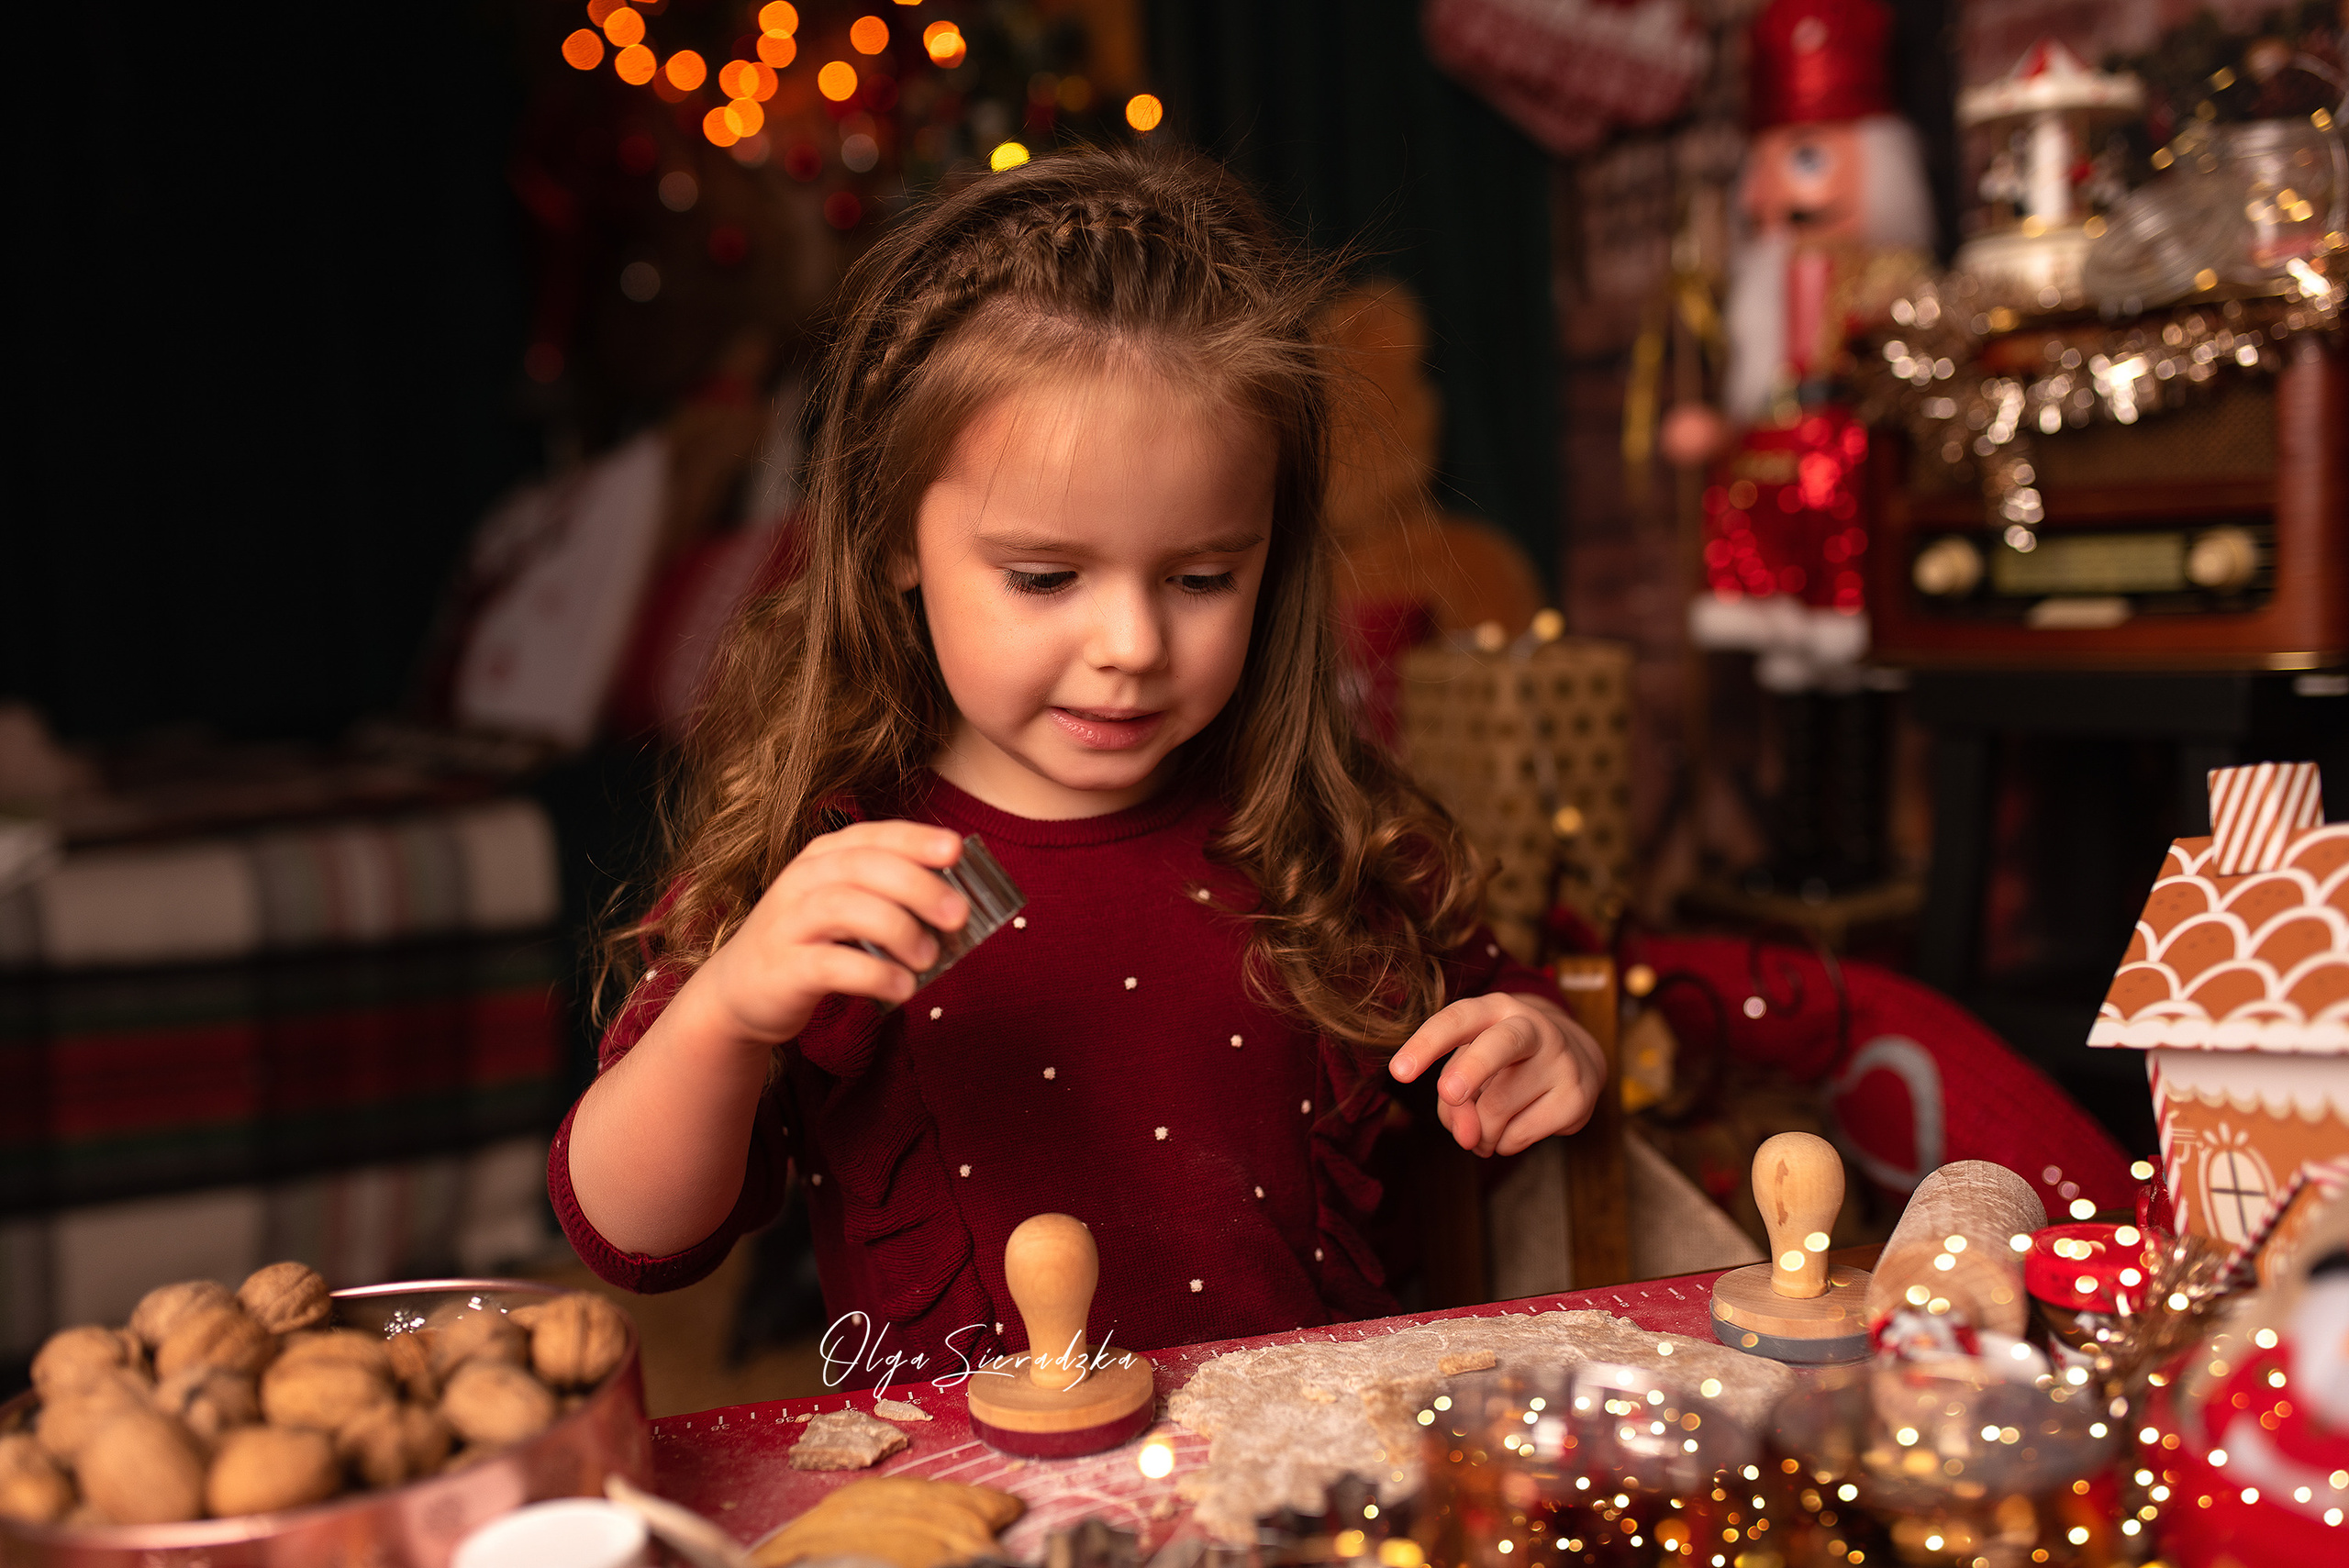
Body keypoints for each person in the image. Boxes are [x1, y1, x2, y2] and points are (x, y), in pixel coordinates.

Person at [552, 145, 1603, 1382]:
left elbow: (1504, 1008)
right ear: (895, 536)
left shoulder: (1317, 831)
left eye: (1202, 577)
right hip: (976, 1499)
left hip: (1299, 1481)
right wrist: (728, 1011)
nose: (1131, 646)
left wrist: (1542, 1043)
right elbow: (630, 1231)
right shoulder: (834, 865)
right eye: (1045, 576)